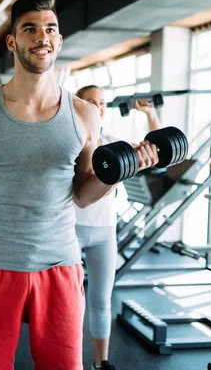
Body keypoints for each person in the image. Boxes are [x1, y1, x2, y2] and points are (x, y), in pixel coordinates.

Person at [0, 0, 159, 370]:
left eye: (50, 29)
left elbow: (82, 193)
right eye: (30, 29)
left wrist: (119, 173)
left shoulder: (83, 114)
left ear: (59, 41)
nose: (41, 37)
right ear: (13, 42)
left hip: (61, 267)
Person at [74, 85, 161, 370]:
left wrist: (150, 113)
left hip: (104, 232)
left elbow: (155, 151)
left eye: (101, 102)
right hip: (69, 231)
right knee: (69, 303)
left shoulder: (114, 142)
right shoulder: (70, 142)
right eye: (90, 101)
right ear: (77, 105)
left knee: (101, 300)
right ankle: (70, 360)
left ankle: (102, 363)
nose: (98, 107)